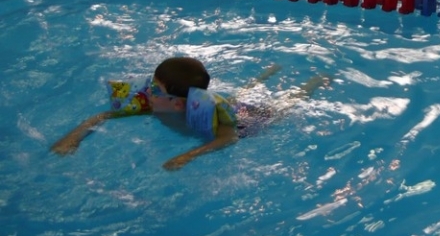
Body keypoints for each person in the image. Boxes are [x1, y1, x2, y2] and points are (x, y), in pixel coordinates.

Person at [50, 57, 326, 170]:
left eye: (154, 89)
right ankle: (269, 71)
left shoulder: (199, 114)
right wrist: (73, 138)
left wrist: (188, 155)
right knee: (234, 97)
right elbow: (103, 116)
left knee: (281, 108)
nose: (146, 92)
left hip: (243, 123)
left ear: (178, 104)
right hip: (217, 106)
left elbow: (227, 138)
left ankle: (315, 82)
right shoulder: (158, 105)